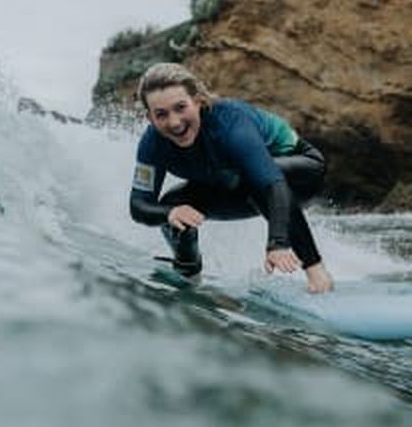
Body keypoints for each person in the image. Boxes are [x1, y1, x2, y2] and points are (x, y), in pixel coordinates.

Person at [129, 62, 334, 293]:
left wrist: (278, 243)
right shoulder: (152, 144)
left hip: (301, 173)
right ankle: (188, 275)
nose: (174, 122)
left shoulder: (229, 123)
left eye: (180, 107)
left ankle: (318, 274)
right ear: (149, 117)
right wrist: (171, 213)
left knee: (251, 175)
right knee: (173, 207)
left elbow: (271, 183)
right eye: (161, 114)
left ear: (197, 101)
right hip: (237, 184)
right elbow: (139, 206)